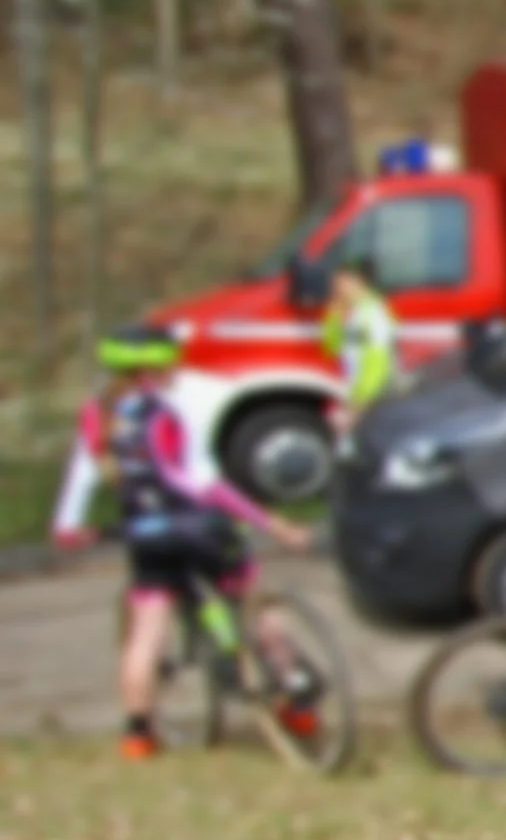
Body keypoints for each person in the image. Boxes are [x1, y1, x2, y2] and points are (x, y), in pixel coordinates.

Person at [52, 325, 315, 760]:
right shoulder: (172, 410)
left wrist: (70, 526)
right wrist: (273, 523)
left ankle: (138, 733)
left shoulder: (99, 415)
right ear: (158, 366)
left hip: (147, 536)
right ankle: (295, 699)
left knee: (147, 632)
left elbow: (81, 478)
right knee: (257, 604)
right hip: (199, 527)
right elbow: (202, 482)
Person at [322, 261, 400, 414]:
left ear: (360, 283)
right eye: (336, 284)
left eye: (343, 283)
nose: (338, 289)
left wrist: (360, 403)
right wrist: (334, 317)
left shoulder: (374, 313)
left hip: (371, 401)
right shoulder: (351, 312)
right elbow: (332, 348)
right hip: (354, 394)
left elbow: (378, 363)